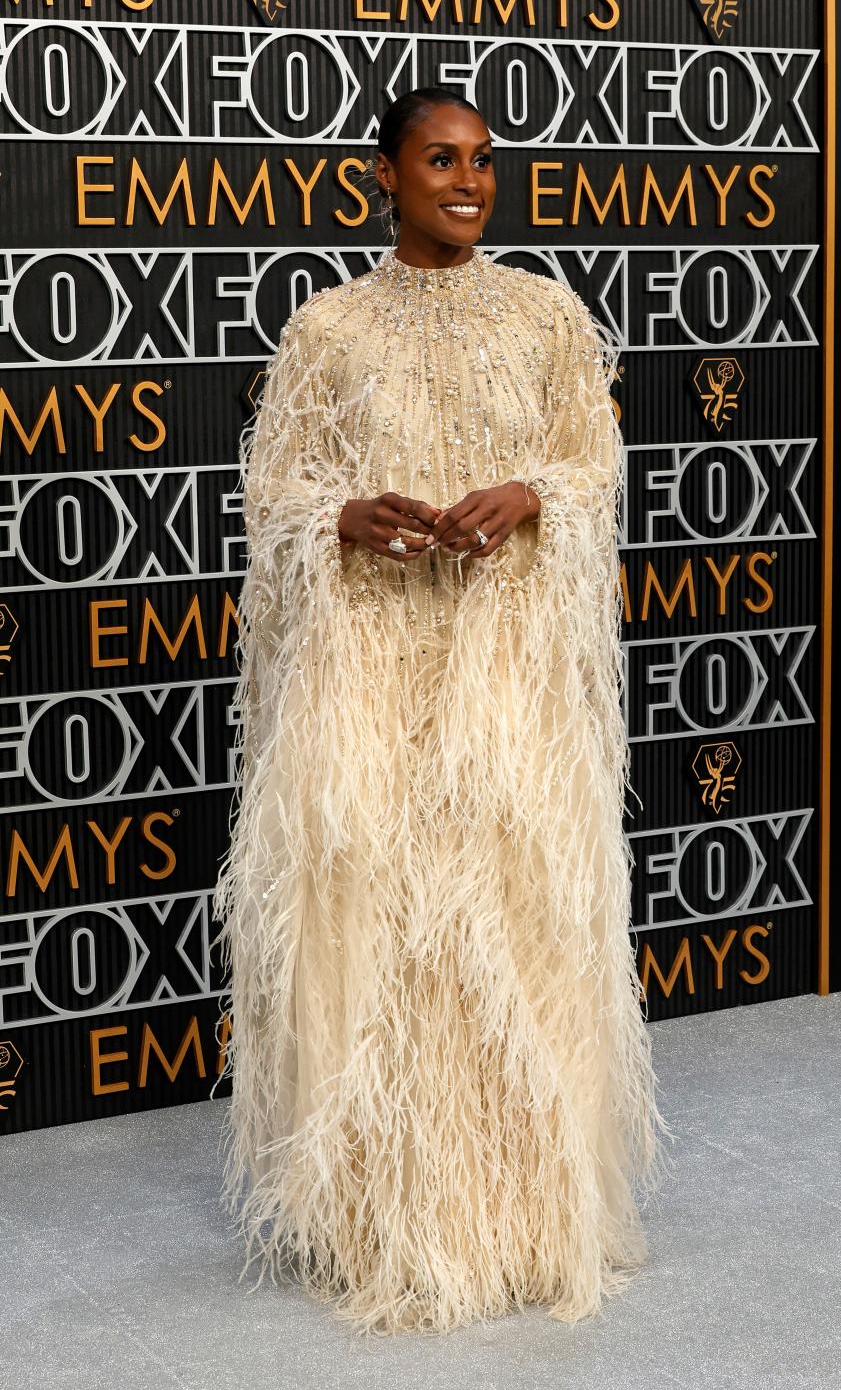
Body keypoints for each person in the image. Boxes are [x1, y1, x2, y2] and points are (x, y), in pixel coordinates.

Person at [211, 87, 673, 1337]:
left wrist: (529, 495)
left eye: (482, 161)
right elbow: (277, 492)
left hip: (509, 681)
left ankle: (522, 1217)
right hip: (371, 677)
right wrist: (342, 517)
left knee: (515, 921)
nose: (468, 181)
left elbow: (595, 463)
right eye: (440, 160)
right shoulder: (329, 330)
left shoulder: (543, 316)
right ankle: (388, 1217)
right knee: (384, 925)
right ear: (385, 178)